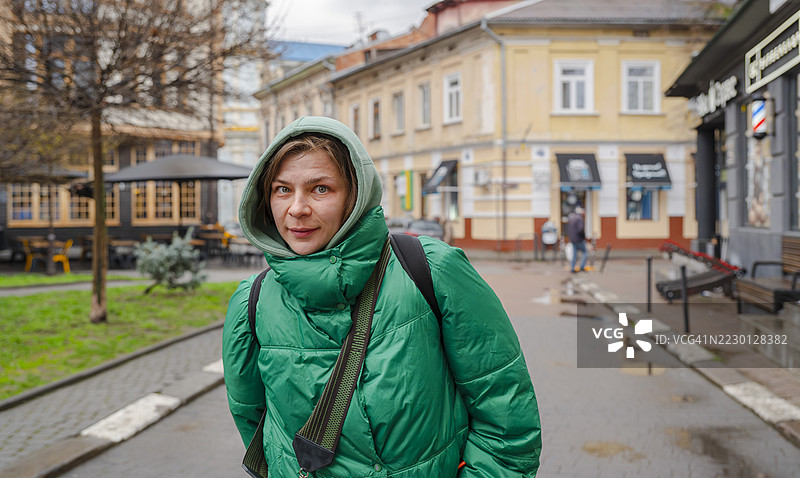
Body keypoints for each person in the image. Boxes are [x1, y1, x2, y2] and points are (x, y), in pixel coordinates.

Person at [223, 116, 541, 477]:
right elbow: (255, 423)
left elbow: (505, 416)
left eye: (320, 189)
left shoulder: (431, 271)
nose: (297, 208)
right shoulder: (253, 301)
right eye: (282, 189)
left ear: (355, 196)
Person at [566, 206, 587, 272]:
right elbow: (580, 229)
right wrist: (583, 237)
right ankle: (582, 266)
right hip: (578, 239)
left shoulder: (572, 218)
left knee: (574, 254)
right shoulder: (579, 219)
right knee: (585, 252)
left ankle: (572, 268)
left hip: (572, 239)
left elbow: (568, 229)